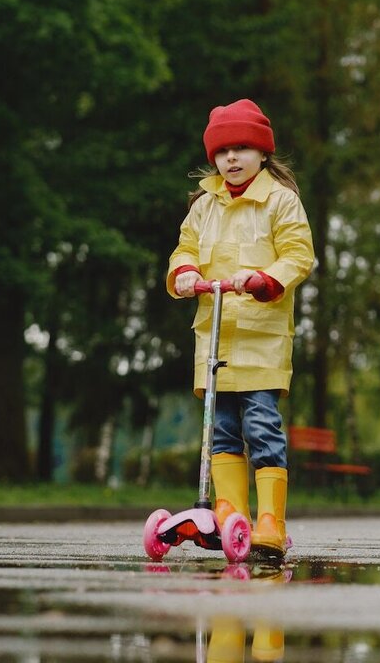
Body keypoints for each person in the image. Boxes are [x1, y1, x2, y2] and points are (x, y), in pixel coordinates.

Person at [167, 98, 315, 559]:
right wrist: (185, 273)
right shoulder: (203, 205)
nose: (231, 159)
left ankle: (270, 519)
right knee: (223, 429)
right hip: (214, 338)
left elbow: (297, 254)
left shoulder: (280, 201)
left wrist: (264, 280)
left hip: (261, 338)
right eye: (223, 151)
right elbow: (184, 248)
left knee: (261, 424)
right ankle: (232, 513)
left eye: (242, 149)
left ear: (262, 153)